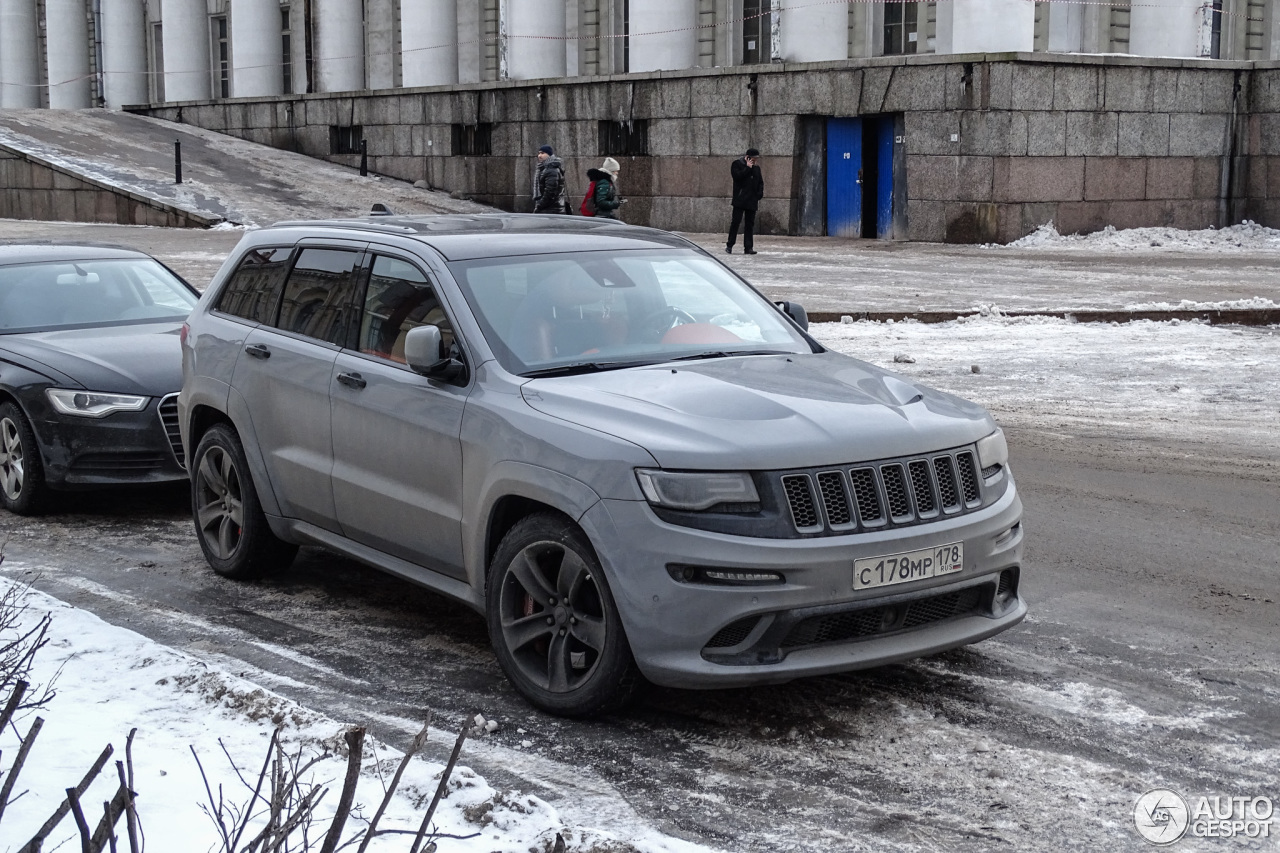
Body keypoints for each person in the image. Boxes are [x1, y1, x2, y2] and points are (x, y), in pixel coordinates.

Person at [727, 147, 763, 254]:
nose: (755, 160)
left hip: (752, 200)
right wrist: (747, 168)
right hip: (740, 198)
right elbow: (737, 177)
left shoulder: (757, 168)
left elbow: (760, 182)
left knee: (749, 224)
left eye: (756, 159)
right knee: (736, 222)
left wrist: (759, 194)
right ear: (747, 157)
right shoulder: (736, 164)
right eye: (753, 158)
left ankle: (748, 247)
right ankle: (730, 244)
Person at [532, 144, 566, 214]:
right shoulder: (545, 168)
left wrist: (539, 205)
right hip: (551, 208)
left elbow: (550, 192)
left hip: (551, 210)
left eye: (542, 153)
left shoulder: (551, 170)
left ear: (549, 155)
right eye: (539, 153)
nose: (539, 156)